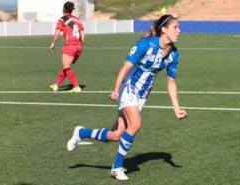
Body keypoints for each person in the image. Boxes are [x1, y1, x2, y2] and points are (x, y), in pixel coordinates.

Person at [66, 14, 187, 180]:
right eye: (175, 27)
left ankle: (81, 132)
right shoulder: (146, 44)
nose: (179, 31)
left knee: (116, 135)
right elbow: (124, 68)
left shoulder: (174, 54)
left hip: (141, 95)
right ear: (164, 29)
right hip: (128, 87)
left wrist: (177, 109)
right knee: (136, 124)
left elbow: (171, 83)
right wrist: (116, 89)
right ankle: (117, 167)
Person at [49, 1, 85, 92]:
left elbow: (57, 32)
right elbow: (83, 33)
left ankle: (76, 86)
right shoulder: (77, 20)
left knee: (66, 66)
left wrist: (53, 44)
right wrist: (80, 44)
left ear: (63, 9)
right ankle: (56, 85)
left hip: (70, 45)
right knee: (66, 65)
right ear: (72, 10)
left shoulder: (62, 19)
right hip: (79, 46)